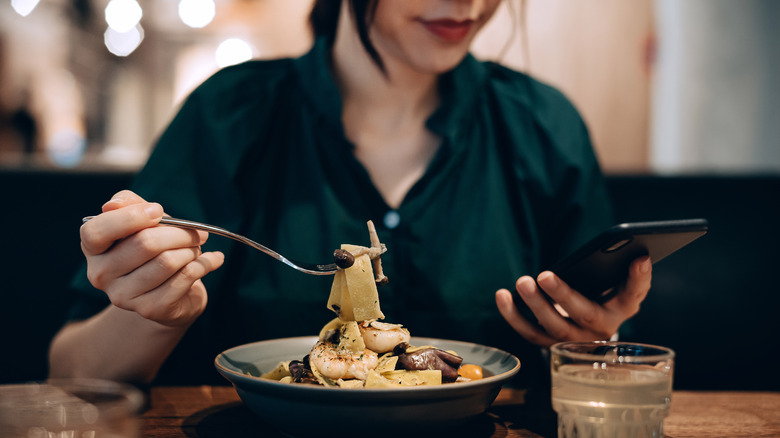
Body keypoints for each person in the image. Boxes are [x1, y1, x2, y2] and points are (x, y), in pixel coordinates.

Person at [48, 0, 651, 394]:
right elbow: (71, 372)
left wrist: (593, 344)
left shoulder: (543, 125)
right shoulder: (229, 117)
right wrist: (155, 311)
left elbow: (604, 373)